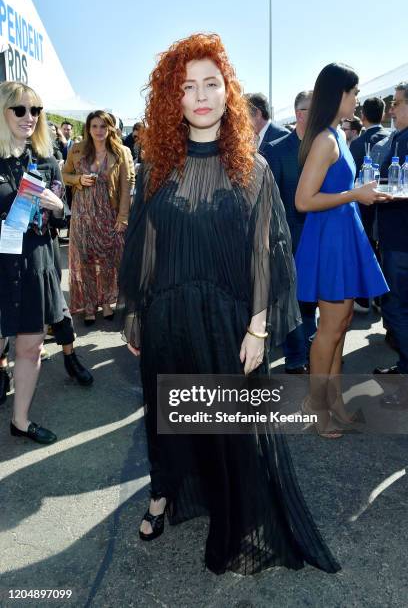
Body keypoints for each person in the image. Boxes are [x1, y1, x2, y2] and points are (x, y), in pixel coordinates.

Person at [119, 33, 340, 576]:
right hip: (167, 316)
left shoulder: (254, 169)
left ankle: (227, 514)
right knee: (168, 417)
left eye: (211, 84)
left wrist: (259, 327)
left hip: (226, 322)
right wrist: (134, 312)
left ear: (228, 93)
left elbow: (265, 254)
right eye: (188, 86)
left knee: (224, 425)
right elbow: (146, 244)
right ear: (174, 97)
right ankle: (162, 492)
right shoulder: (156, 167)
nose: (200, 95)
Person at [295, 63, 391, 438]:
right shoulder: (325, 140)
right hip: (330, 240)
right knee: (329, 330)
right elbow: (303, 200)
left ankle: (334, 400)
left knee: (342, 325)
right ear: (339, 94)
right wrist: (355, 194)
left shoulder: (337, 134)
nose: (356, 98)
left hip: (342, 235)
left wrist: (360, 194)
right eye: (353, 92)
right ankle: (316, 406)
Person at [0, 80, 68, 443]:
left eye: (36, 110)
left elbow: (62, 216)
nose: (30, 117)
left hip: (35, 263)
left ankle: (21, 420)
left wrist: (59, 208)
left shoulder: (46, 161)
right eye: (21, 109)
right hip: (0, 267)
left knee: (30, 347)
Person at [63, 110, 135, 325]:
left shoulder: (122, 151)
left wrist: (123, 217)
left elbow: (127, 186)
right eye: (94, 126)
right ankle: (89, 304)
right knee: (85, 259)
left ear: (111, 128)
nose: (99, 131)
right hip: (82, 214)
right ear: (88, 128)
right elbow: (64, 175)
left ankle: (105, 302)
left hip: (108, 213)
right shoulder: (76, 149)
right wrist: (78, 179)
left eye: (103, 126)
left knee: (107, 259)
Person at [263, 90, 316, 374]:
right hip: (290, 237)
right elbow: (266, 200)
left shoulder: (325, 145)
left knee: (315, 299)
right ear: (299, 114)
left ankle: (317, 350)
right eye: (314, 109)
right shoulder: (275, 149)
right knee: (296, 300)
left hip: (320, 235)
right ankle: (297, 357)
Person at [373, 82, 408, 379]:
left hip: (400, 240)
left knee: (395, 308)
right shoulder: (397, 137)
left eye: (397, 103)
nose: (392, 109)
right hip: (394, 237)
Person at [350, 97, 390, 314]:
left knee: (365, 250)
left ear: (363, 115)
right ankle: (381, 299)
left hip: (364, 206)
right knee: (384, 251)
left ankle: (365, 299)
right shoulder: (392, 137)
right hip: (389, 206)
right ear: (383, 115)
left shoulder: (356, 144)